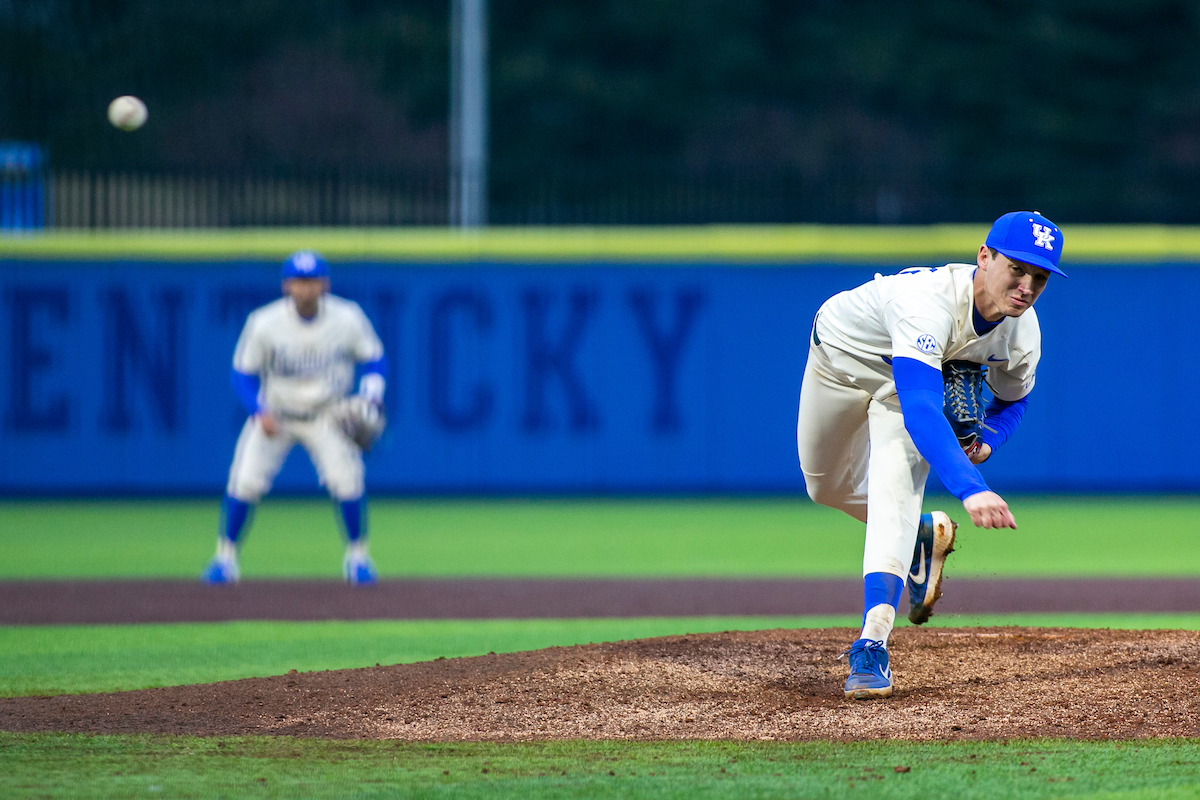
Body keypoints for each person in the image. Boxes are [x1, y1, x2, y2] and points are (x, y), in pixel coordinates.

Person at [796, 211, 1064, 699]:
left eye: (1040, 277)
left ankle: (871, 642)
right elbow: (924, 409)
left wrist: (989, 442)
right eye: (1017, 269)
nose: (1026, 285)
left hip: (906, 392)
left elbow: (1013, 400)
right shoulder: (929, 303)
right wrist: (971, 488)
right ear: (984, 257)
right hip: (839, 361)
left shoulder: (1022, 332)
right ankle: (919, 536)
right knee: (824, 486)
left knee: (893, 488)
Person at [202, 250, 387, 585]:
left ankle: (358, 558)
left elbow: (374, 359)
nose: (306, 288)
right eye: (300, 281)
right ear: (287, 286)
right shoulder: (264, 322)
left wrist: (372, 395)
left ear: (325, 284)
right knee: (244, 481)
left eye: (313, 281)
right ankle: (224, 559)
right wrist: (259, 411)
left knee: (347, 482)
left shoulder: (347, 318)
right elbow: (242, 374)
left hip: (329, 414)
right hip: (277, 413)